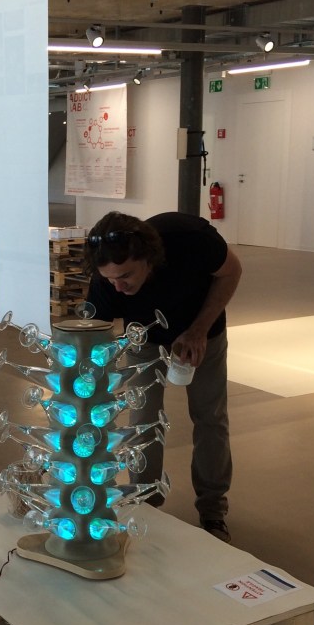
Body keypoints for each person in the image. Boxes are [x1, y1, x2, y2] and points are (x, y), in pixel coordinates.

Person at [84, 211, 242, 543]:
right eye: (110, 280)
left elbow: (232, 271)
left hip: (202, 330)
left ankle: (213, 510)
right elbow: (93, 340)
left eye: (126, 276)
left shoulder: (191, 240)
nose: (118, 287)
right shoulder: (105, 282)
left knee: (210, 416)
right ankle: (146, 504)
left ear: (148, 258)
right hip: (144, 337)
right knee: (143, 418)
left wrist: (198, 330)